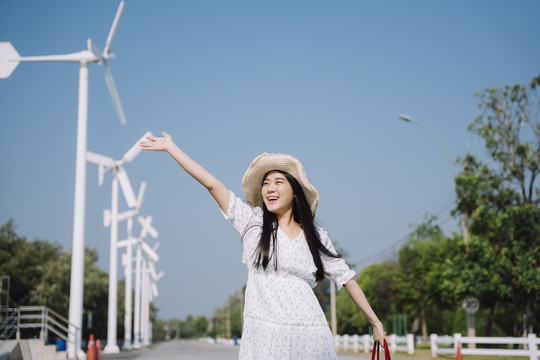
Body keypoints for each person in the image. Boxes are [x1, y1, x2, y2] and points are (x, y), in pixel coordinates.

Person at [141, 132, 386, 359]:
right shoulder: (253, 224)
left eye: (278, 182)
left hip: (310, 334)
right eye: (266, 183)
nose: (270, 188)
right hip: (264, 336)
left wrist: (375, 323)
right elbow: (212, 184)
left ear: (295, 192)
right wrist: (172, 148)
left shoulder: (316, 237)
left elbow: (347, 279)